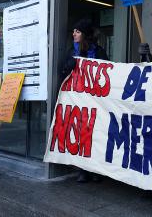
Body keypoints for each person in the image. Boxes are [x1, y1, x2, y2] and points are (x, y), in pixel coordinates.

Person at [61, 18, 108, 183]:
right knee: (80, 133)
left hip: (94, 100)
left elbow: (107, 73)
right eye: (74, 31)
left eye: (78, 31)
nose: (74, 34)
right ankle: (82, 169)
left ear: (85, 35)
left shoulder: (99, 52)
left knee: (94, 134)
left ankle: (94, 169)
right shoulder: (71, 52)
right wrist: (70, 65)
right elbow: (63, 74)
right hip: (77, 100)